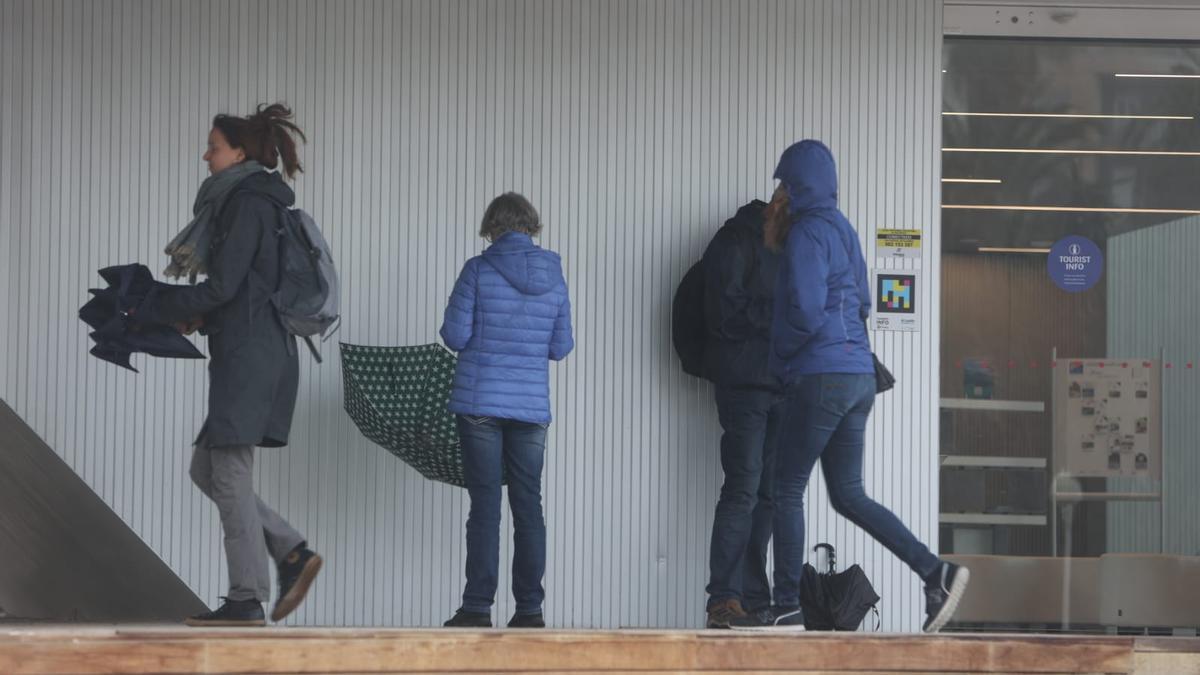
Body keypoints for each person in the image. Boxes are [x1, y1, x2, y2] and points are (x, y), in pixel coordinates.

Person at [765, 139, 969, 633]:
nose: (776, 193)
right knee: (849, 494)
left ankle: (788, 604)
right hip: (857, 376)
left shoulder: (807, 233)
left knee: (785, 488)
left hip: (822, 375)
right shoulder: (842, 229)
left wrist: (782, 352)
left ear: (793, 187)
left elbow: (809, 311)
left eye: (781, 183)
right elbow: (861, 304)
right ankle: (935, 571)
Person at [137, 103, 323, 627]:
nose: (205, 154)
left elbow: (224, 287)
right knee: (208, 469)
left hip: (252, 357)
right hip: (250, 350)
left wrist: (158, 302)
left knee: (230, 472)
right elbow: (241, 290)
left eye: (213, 146)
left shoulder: (247, 205)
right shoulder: (249, 202)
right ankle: (290, 551)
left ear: (238, 152)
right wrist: (195, 317)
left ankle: (247, 597)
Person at [440, 192, 574, 629]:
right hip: (531, 409)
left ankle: (477, 607)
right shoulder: (554, 276)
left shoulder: (478, 270)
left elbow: (455, 336)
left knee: (485, 506)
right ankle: (530, 610)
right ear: (531, 226)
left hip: (480, 403)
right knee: (528, 506)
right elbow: (560, 346)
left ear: (492, 227)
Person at [698, 200, 787, 629]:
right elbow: (724, 314)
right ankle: (724, 600)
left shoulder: (786, 246)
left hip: (781, 386)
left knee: (767, 496)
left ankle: (754, 598)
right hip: (745, 387)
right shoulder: (734, 240)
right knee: (743, 491)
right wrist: (782, 315)